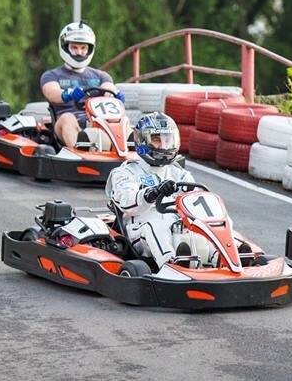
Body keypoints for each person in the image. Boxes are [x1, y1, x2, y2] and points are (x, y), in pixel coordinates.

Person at [106, 112, 194, 269]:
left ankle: (230, 258)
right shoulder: (126, 172)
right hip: (139, 229)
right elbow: (127, 202)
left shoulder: (179, 173)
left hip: (176, 225)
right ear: (142, 141)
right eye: (156, 140)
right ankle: (171, 266)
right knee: (155, 225)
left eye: (167, 139)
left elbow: (194, 203)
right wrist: (152, 193)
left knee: (210, 224)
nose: (164, 145)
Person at [40, 21, 122, 147]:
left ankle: (131, 151)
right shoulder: (51, 75)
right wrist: (69, 94)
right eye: (74, 48)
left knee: (122, 120)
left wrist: (115, 95)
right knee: (67, 118)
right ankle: (80, 154)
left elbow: (109, 88)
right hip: (68, 123)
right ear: (65, 47)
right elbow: (51, 93)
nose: (79, 52)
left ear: (89, 49)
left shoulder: (101, 76)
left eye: (83, 48)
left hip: (97, 121)